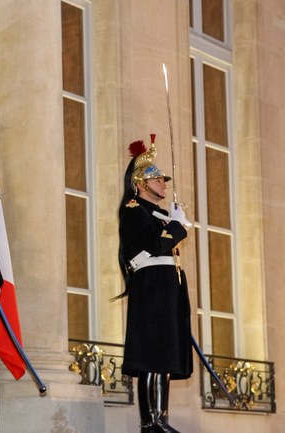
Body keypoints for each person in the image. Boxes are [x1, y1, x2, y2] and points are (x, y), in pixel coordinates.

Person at [117, 138, 193, 433]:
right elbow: (158, 245)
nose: (163, 184)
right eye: (158, 179)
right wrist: (175, 227)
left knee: (163, 358)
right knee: (150, 357)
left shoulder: (160, 215)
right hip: (151, 288)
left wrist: (171, 223)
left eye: (162, 179)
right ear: (141, 183)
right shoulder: (134, 210)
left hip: (168, 288)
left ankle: (162, 418)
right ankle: (150, 422)